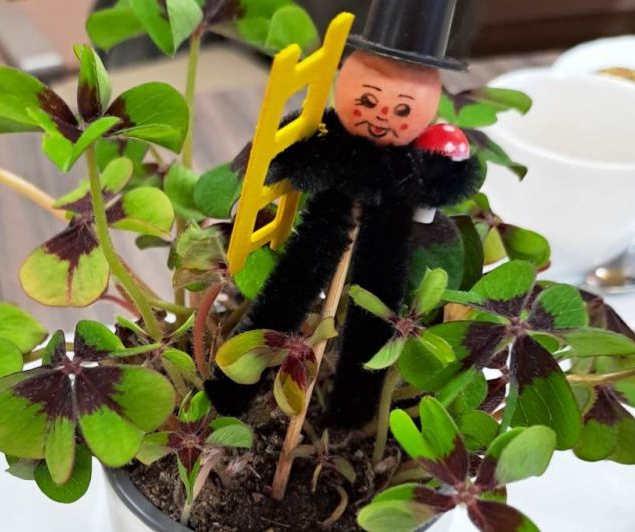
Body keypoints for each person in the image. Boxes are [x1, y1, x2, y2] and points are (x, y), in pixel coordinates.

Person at [206, 0, 482, 428]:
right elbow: (299, 151)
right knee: (283, 298)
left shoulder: (409, 163)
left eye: (403, 109)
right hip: (323, 226)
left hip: (387, 238)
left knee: (375, 320)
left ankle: (351, 416)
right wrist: (271, 161)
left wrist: (448, 166)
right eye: (368, 99)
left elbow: (444, 184)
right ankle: (231, 391)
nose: (381, 116)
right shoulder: (335, 139)